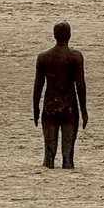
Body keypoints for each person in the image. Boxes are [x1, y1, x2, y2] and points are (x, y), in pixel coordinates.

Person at [33, 21, 88, 168]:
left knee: (48, 157)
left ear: (54, 35)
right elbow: (80, 86)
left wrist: (36, 108)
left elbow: (38, 85)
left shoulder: (43, 57)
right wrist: (84, 111)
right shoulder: (75, 57)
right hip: (69, 107)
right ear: (69, 35)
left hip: (50, 106)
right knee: (68, 157)